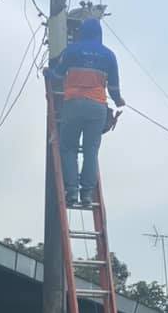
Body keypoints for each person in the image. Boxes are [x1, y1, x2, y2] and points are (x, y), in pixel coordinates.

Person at [49, 18, 125, 207]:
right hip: (97, 107)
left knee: (69, 148)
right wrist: (118, 101)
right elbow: (114, 88)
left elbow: (57, 75)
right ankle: (87, 194)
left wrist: (47, 73)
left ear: (81, 33)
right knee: (91, 151)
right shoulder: (109, 55)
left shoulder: (71, 51)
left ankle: (72, 192)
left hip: (74, 104)